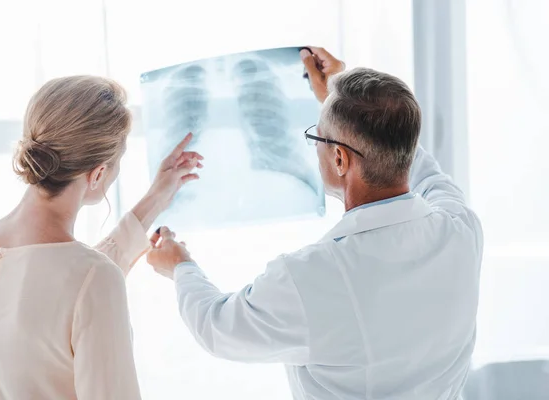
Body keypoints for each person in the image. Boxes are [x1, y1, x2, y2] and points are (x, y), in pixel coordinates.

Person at [146, 47, 483, 400]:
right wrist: (340, 91)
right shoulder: (462, 230)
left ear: (339, 158)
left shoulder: (312, 277)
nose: (314, 147)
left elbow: (217, 327)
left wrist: (180, 266)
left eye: (316, 137)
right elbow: (422, 169)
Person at [0, 76, 203, 400]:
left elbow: (63, 288)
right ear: (99, 174)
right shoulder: (93, 279)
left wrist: (156, 198)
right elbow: (80, 284)